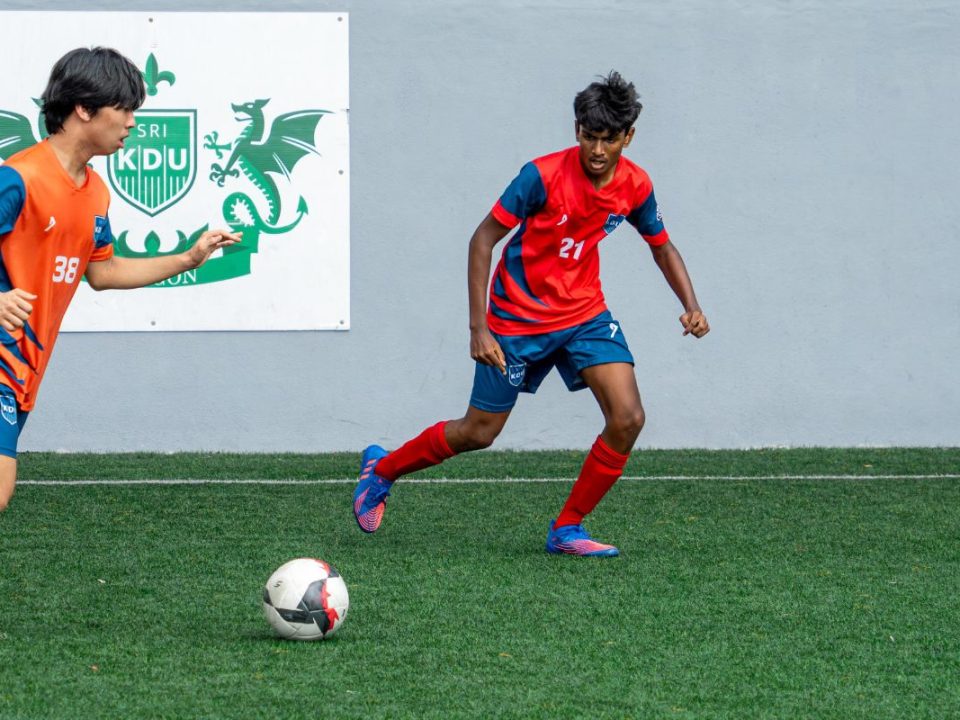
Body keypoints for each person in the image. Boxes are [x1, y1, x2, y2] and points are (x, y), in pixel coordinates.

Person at [354, 71, 709, 556]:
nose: (598, 150)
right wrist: (479, 327)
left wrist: (690, 306)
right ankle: (384, 468)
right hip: (515, 321)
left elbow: (662, 247)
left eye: (609, 139)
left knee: (627, 418)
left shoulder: (636, 185)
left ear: (629, 136)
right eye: (589, 136)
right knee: (479, 432)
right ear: (576, 130)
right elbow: (483, 238)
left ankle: (567, 528)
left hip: (584, 314)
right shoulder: (540, 176)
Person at [0, 47, 240, 511]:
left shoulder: (96, 193)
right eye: (124, 108)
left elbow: (103, 272)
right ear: (83, 109)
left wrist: (189, 258)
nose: (132, 122)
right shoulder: (18, 179)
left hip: (26, 368)